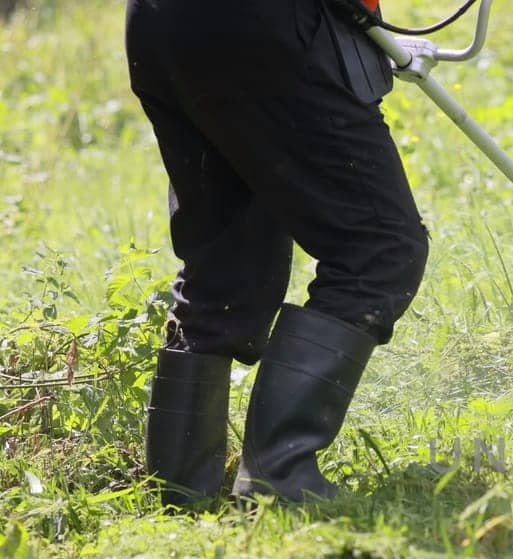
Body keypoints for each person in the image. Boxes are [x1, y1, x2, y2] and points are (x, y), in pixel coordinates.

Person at [124, 0, 428, 506]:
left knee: (227, 264)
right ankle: (278, 483)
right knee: (379, 248)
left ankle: (178, 492)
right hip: (263, 25)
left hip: (163, 23)